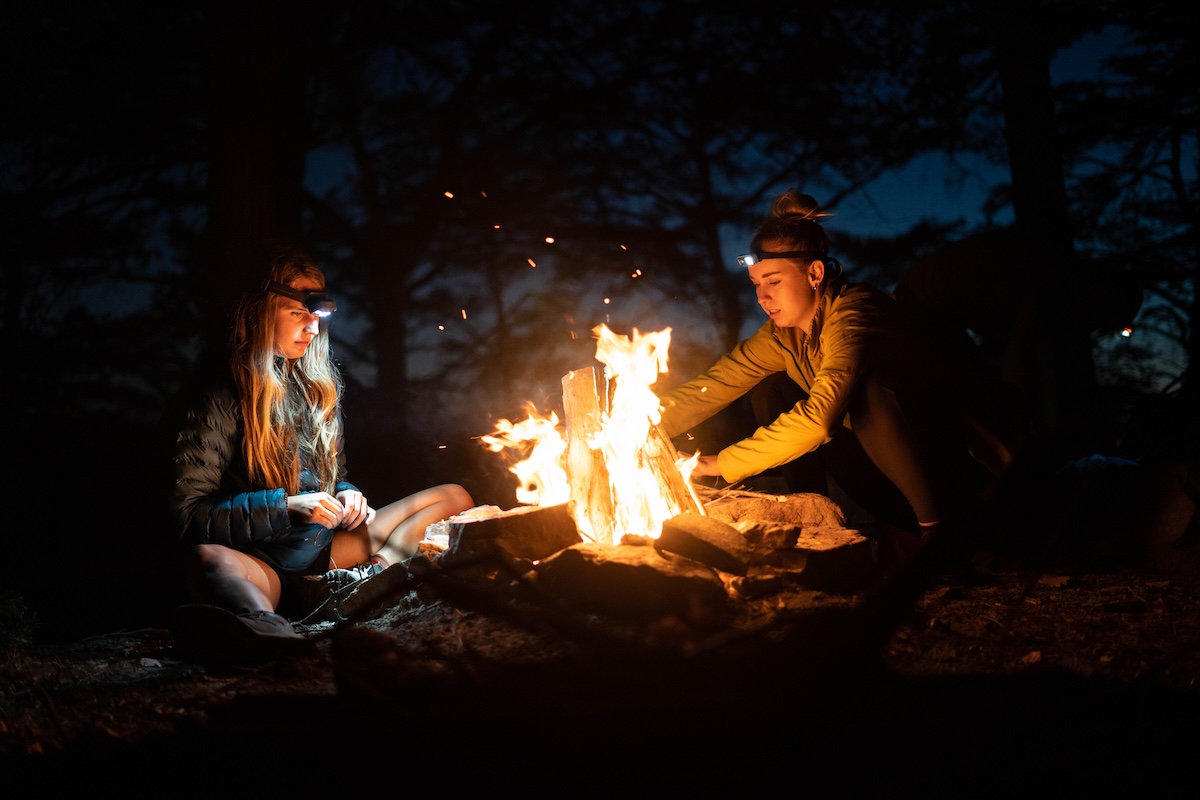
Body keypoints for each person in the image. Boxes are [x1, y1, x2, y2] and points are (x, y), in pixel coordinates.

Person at [658, 190, 1002, 564]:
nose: (761, 296)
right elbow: (714, 385)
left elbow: (820, 421)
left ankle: (939, 537)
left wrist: (715, 465)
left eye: (773, 281)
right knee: (771, 391)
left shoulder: (855, 314)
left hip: (960, 475)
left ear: (815, 273)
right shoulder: (783, 336)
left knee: (865, 394)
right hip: (884, 480)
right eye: (756, 283)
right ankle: (811, 522)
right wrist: (644, 422)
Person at [168, 247, 475, 664]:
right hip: (266, 567)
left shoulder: (315, 390)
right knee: (208, 560)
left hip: (327, 557)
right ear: (259, 311)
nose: (312, 328)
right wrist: (286, 508)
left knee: (453, 498)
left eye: (317, 317)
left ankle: (365, 583)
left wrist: (349, 495)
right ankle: (268, 631)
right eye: (297, 313)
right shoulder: (218, 396)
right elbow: (188, 518)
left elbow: (330, 479)